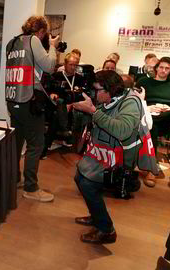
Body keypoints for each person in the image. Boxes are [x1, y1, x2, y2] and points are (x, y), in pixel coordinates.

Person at [71, 70, 143, 244]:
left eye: (98, 90)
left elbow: (123, 131)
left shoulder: (131, 102)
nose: (94, 93)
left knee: (88, 184)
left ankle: (106, 230)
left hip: (116, 159)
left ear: (110, 89)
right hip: (101, 153)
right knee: (80, 177)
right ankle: (96, 216)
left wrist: (93, 111)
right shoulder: (109, 98)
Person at [5, 15, 59, 202]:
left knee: (17, 142)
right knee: (36, 144)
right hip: (29, 99)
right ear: (42, 31)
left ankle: (14, 179)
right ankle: (31, 187)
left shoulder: (11, 43)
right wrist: (52, 46)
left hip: (13, 99)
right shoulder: (34, 40)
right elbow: (50, 66)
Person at [136, 56, 170, 187]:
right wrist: (148, 108)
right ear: (156, 68)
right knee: (152, 127)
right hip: (148, 117)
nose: (163, 70)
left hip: (168, 119)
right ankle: (152, 169)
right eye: (161, 67)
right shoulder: (144, 81)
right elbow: (134, 100)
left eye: (167, 68)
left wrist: (169, 110)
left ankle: (151, 168)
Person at [41, 52, 85, 159]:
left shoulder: (80, 78)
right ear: (65, 64)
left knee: (57, 116)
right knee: (59, 106)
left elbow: (83, 96)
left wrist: (72, 104)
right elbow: (47, 90)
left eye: (76, 65)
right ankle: (65, 130)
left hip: (74, 107)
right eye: (71, 64)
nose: (73, 67)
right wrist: (51, 94)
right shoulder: (56, 76)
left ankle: (44, 149)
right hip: (56, 105)